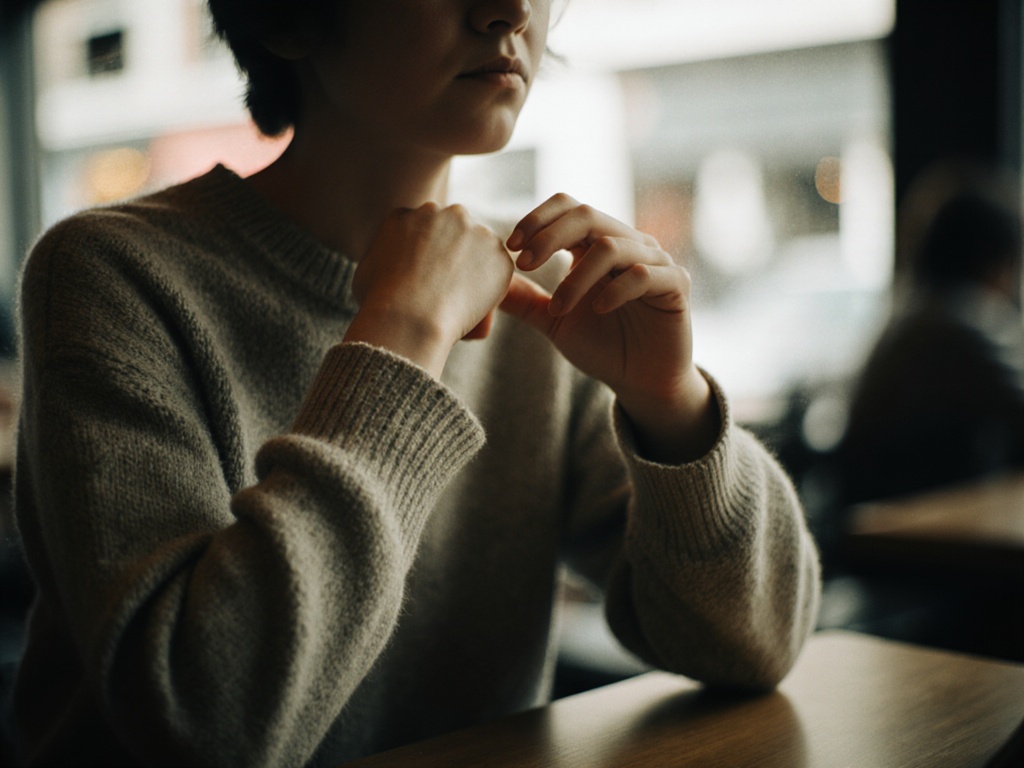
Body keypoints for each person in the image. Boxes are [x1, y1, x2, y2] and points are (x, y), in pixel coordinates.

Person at [10, 1, 821, 765]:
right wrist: (403, 335)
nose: (512, 10)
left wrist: (672, 405)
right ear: (289, 17)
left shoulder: (539, 294)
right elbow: (202, 725)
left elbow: (755, 645)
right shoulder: (111, 273)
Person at [837, 160, 1024, 506]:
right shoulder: (958, 323)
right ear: (997, 262)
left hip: (884, 512)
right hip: (903, 523)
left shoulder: (916, 314)